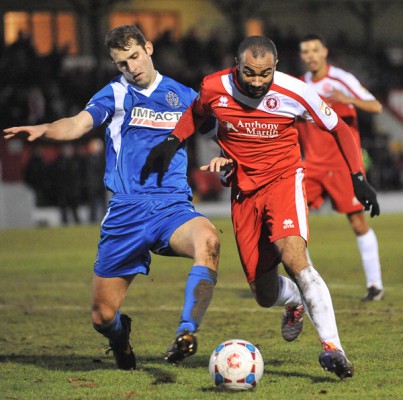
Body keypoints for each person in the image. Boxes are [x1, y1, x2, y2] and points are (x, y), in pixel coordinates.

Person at [142, 36, 380, 380]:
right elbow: (195, 116)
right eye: (249, 73)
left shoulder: (295, 91)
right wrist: (172, 141)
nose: (256, 82)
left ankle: (333, 349)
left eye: (264, 74)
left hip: (284, 181)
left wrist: (357, 176)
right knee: (264, 294)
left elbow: (339, 128)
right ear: (236, 64)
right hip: (243, 194)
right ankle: (296, 300)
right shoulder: (213, 87)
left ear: (276, 67)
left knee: (295, 258)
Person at [3, 25, 220, 370]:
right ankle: (120, 336)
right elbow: (78, 123)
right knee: (102, 316)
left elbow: (224, 132)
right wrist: (45, 129)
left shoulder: (185, 96)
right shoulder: (115, 95)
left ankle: (186, 332)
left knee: (208, 240)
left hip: (172, 207)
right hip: (126, 212)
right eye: (122, 63)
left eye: (134, 57)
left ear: (148, 49)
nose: (131, 67)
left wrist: (234, 156)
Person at [297, 34, 384, 301]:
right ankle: (306, 285)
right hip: (310, 165)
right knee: (295, 226)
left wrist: (347, 98)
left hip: (342, 165)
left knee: (358, 223)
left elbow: (376, 106)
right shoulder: (299, 86)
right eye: (305, 51)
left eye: (315, 50)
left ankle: (375, 285)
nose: (310, 55)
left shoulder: (341, 79)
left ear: (325, 52)